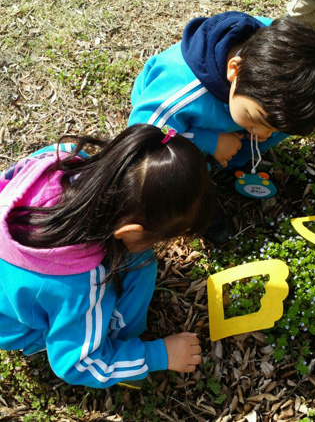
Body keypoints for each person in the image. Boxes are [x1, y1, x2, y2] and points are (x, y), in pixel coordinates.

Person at [0, 124, 212, 388]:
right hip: (15, 323)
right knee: (140, 265)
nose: (159, 245)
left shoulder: (58, 159)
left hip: (13, 276)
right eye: (159, 239)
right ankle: (121, 350)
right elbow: (78, 364)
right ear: (129, 230)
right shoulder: (79, 288)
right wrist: (159, 355)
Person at [128, 11, 315, 169]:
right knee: (173, 169)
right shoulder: (183, 91)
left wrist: (264, 125)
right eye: (258, 120)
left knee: (270, 124)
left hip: (237, 107)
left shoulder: (272, 64)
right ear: (235, 69)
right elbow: (146, 136)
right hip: (173, 125)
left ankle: (233, 160)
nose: (263, 135)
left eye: (271, 129)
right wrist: (209, 141)